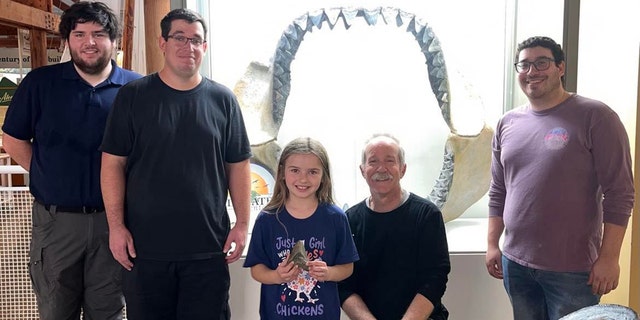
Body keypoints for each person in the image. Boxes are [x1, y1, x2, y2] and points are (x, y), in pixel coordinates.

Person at [99, 8, 251, 320]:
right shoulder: (133, 97)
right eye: (179, 38)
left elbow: (238, 165)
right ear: (162, 43)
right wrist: (115, 226)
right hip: (145, 251)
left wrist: (242, 224)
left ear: (205, 48)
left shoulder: (223, 100)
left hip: (208, 249)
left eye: (196, 40)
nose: (188, 46)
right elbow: (112, 164)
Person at [0, 2, 142, 319]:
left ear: (114, 40)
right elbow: (13, 140)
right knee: (55, 309)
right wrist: (47, 173)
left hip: (115, 223)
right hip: (56, 222)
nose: (88, 42)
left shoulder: (137, 89)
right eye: (79, 34)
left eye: (99, 33)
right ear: (67, 40)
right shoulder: (40, 84)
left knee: (108, 310)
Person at [485, 36, 634, 320]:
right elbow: (498, 189)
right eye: (524, 65)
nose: (532, 71)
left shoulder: (597, 117)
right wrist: (493, 244)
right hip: (515, 264)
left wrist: (609, 258)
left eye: (542, 62)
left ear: (561, 68)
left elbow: (620, 193)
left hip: (573, 271)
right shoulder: (507, 123)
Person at [243, 137, 359, 319]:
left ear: (324, 176)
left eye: (313, 172)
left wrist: (328, 272)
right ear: (282, 172)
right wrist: (277, 276)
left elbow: (347, 267)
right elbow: (256, 269)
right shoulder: (267, 219)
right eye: (295, 170)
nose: (303, 179)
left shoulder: (336, 218)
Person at [338, 133, 451, 320]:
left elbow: (435, 278)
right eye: (373, 161)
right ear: (362, 169)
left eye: (390, 161)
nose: (381, 168)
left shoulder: (427, 215)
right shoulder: (350, 221)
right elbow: (344, 284)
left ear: (403, 169)